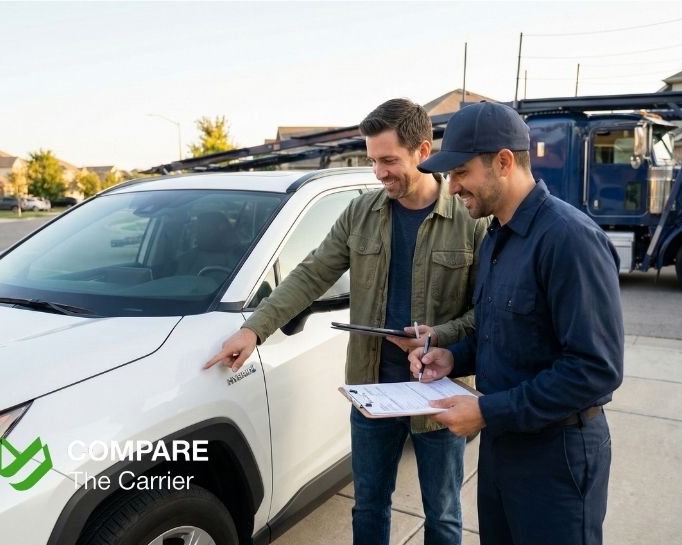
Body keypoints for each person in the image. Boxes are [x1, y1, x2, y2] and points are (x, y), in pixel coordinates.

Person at [206, 98, 489, 545]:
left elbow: (487, 311)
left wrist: (441, 336)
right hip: (372, 390)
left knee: (444, 514)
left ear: (422, 151)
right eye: (373, 160)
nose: (378, 173)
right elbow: (313, 273)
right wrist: (254, 328)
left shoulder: (470, 220)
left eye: (388, 160)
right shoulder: (361, 213)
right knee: (370, 505)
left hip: (439, 397)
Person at [410, 101, 624, 545]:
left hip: (558, 457)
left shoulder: (569, 239)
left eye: (461, 173)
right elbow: (504, 334)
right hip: (504, 445)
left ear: (503, 162)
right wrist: (453, 357)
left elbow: (594, 368)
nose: (452, 188)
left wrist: (486, 410)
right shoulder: (496, 237)